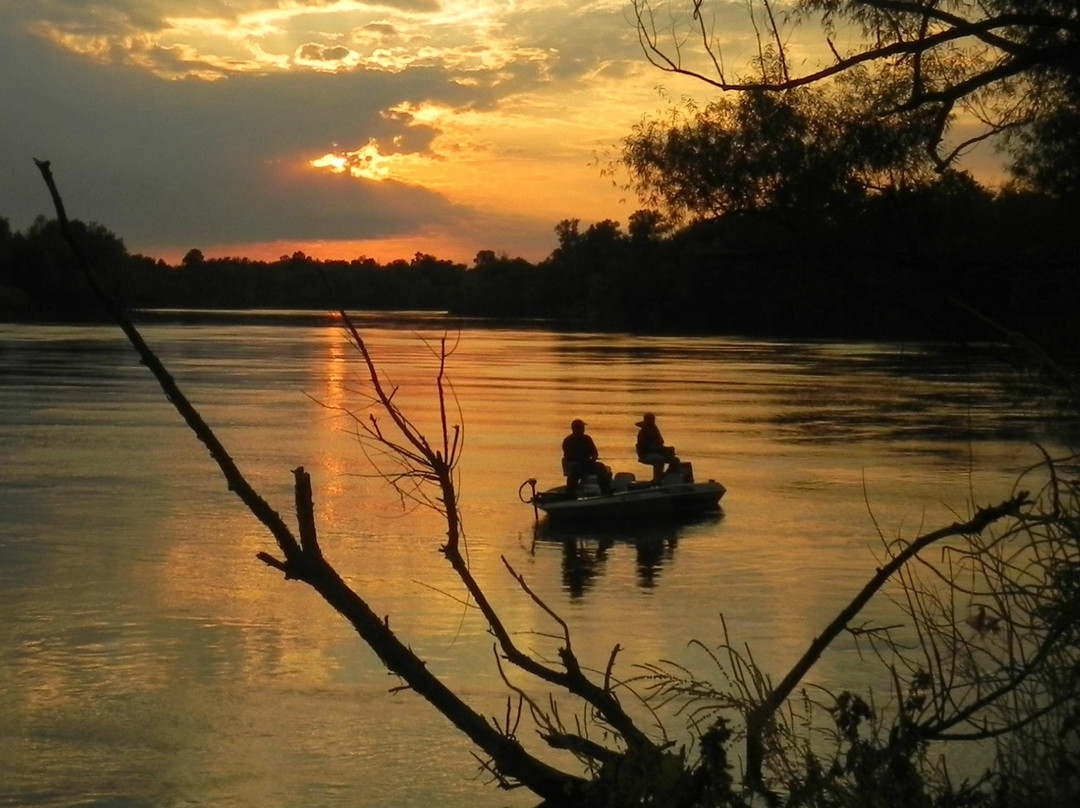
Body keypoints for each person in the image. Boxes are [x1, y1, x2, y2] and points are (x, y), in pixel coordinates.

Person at [561, 418, 612, 497]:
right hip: (572, 464)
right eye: (581, 427)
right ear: (574, 429)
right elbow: (569, 456)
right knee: (576, 467)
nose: (583, 429)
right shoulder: (568, 441)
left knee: (601, 467)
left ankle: (605, 489)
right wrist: (582, 461)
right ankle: (570, 491)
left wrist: (593, 459)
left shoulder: (587, 439)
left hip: (587, 463)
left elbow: (595, 453)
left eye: (583, 428)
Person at [635, 412, 679, 483]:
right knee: (659, 460)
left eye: (653, 419)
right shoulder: (642, 433)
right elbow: (647, 447)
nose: (652, 421)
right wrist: (662, 449)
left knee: (675, 460)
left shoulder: (654, 429)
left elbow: (660, 443)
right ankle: (656, 480)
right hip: (646, 454)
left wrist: (668, 449)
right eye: (651, 420)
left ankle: (665, 477)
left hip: (657, 452)